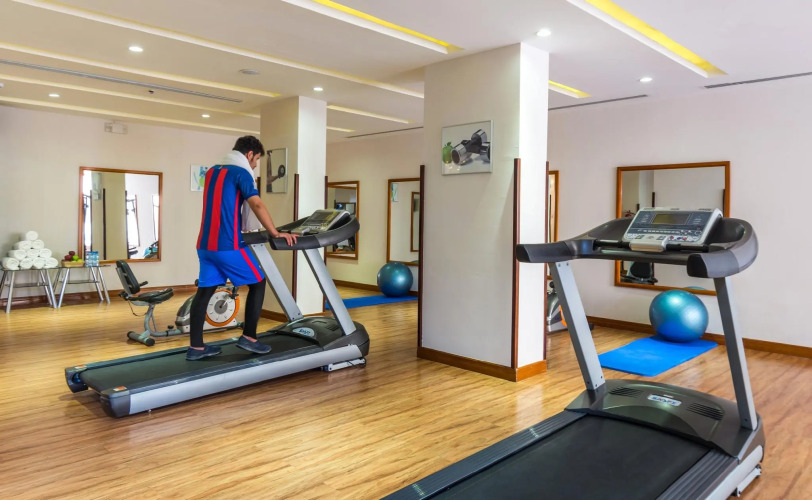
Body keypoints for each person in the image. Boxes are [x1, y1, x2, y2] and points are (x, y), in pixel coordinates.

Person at [187, 135, 297, 360]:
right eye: (256, 160)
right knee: (258, 282)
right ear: (249, 154)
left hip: (205, 245)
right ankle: (249, 337)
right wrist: (275, 233)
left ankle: (196, 347)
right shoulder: (241, 172)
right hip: (228, 245)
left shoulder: (212, 171)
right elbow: (256, 203)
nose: (254, 166)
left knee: (205, 291)